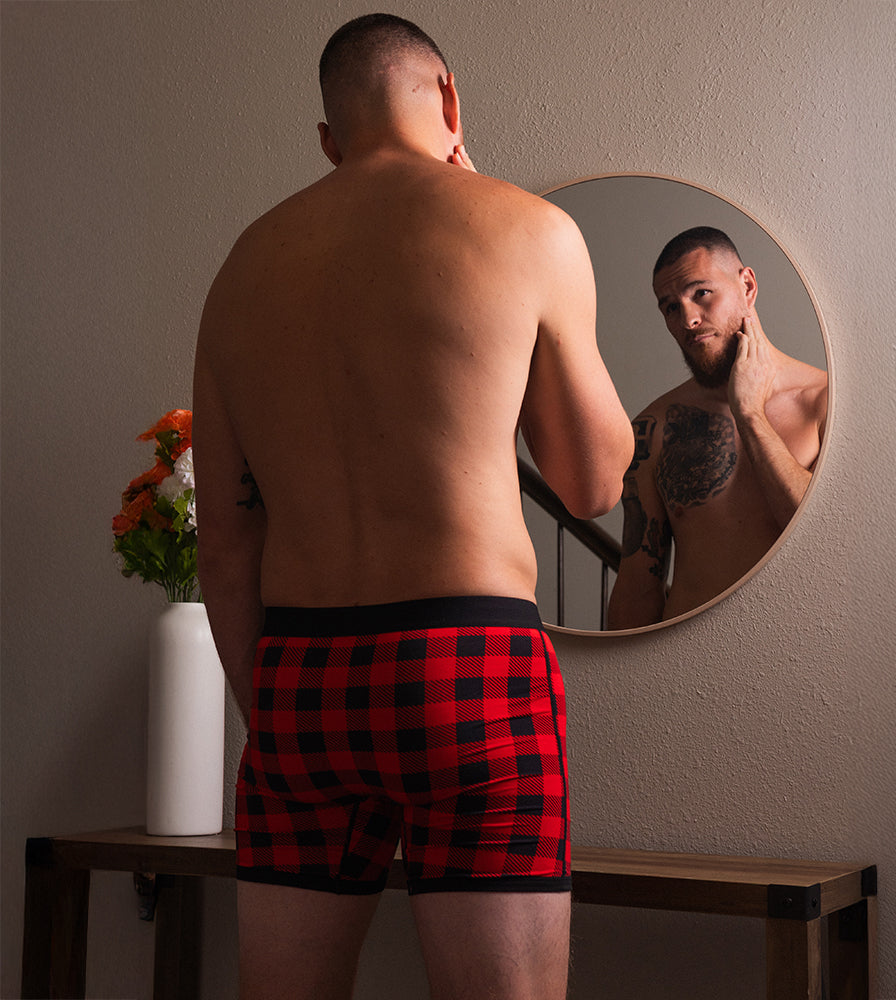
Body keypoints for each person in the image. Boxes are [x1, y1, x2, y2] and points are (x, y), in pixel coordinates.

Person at [193, 14, 633, 1000]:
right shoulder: (522, 226)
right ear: (448, 99)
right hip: (463, 662)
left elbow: (224, 541)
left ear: (326, 139)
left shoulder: (243, 267)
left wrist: (270, 717)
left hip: (299, 671)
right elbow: (594, 484)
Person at [607, 226, 828, 630]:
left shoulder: (824, 402)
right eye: (670, 307)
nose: (688, 318)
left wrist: (749, 414)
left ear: (746, 285)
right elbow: (638, 588)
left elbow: (823, 547)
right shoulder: (653, 430)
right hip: (691, 671)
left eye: (701, 293)